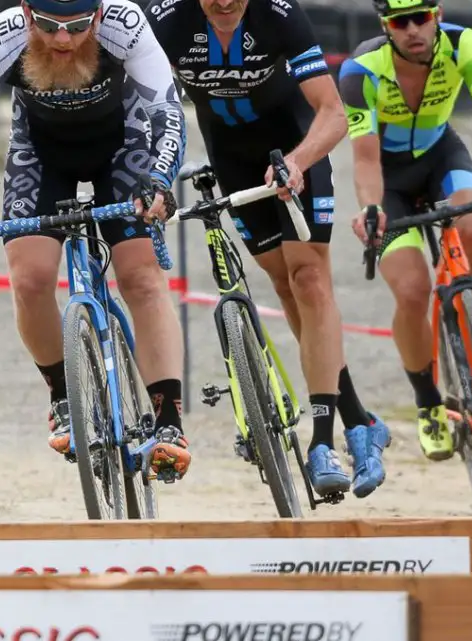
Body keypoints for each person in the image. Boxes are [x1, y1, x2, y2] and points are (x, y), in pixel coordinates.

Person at [146, 0, 391, 499]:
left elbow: (333, 113)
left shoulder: (279, 15)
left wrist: (299, 161)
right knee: (283, 282)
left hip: (293, 150)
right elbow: (141, 103)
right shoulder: (166, 20)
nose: (224, 3)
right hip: (231, 158)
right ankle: (360, 421)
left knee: (308, 278)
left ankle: (323, 441)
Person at [0, 0, 192, 481]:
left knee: (141, 277)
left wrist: (161, 180)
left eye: (78, 27)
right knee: (31, 278)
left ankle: (168, 423)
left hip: (124, 145)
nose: (63, 40)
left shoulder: (126, 25)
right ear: (24, 13)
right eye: (49, 26)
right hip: (41, 154)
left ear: (98, 17)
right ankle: (63, 394)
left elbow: (166, 110)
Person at [342, 0, 472, 462]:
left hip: (441, 156)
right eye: (400, 22)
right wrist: (370, 208)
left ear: (437, 15)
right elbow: (364, 159)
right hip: (389, 180)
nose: (413, 30)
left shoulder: (465, 44)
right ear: (386, 27)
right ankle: (428, 403)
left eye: (420, 17)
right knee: (411, 290)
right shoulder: (359, 70)